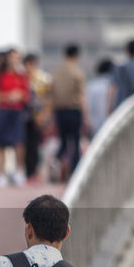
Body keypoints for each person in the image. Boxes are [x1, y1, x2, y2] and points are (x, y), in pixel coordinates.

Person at [0, 48, 30, 187]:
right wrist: (7, 96)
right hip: (3, 110)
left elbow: (26, 95)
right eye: (12, 57)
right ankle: (1, 174)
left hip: (17, 112)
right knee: (0, 144)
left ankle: (19, 172)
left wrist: (19, 96)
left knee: (19, 143)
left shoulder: (21, 75)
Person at [50, 44, 87, 180]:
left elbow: (51, 95)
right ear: (76, 55)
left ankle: (56, 161)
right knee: (76, 142)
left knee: (63, 142)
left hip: (59, 111)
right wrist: (86, 116)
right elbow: (81, 95)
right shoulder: (77, 72)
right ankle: (75, 173)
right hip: (74, 110)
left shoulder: (56, 72)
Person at [22, 53, 50, 183]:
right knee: (25, 147)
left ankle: (35, 173)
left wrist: (45, 116)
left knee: (36, 146)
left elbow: (49, 100)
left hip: (38, 117)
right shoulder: (21, 78)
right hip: (23, 117)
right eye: (27, 64)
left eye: (32, 64)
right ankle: (28, 174)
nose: (29, 67)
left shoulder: (43, 79)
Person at [85, 59, 115, 140]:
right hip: (112, 124)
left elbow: (88, 105)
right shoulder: (114, 85)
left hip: (94, 125)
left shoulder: (92, 86)